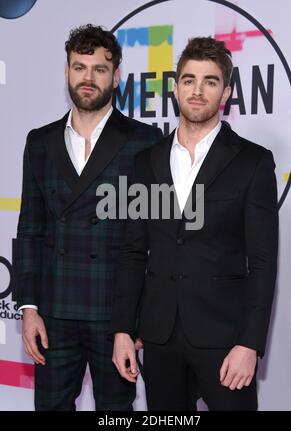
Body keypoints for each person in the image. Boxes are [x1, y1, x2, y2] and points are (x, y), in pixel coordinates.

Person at [109, 36, 278, 411]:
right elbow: (134, 251)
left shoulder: (253, 162)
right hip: (159, 337)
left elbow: (263, 263)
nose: (197, 91)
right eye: (189, 80)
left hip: (225, 339)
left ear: (226, 92)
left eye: (210, 81)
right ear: (175, 87)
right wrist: (123, 328)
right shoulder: (146, 162)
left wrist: (249, 344)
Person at [14, 24, 162, 411]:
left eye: (99, 69)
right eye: (79, 67)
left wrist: (138, 318)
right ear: (66, 73)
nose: (88, 78)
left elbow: (154, 237)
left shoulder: (144, 141)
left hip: (114, 312)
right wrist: (28, 308)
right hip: (53, 310)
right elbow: (30, 227)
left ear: (116, 77)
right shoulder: (39, 141)